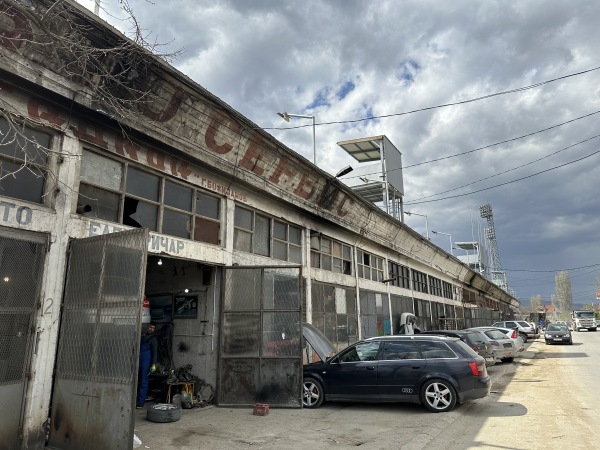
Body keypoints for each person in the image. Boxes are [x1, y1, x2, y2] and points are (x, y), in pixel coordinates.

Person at [137, 322, 158, 408]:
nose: (151, 329)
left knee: (144, 382)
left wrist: (153, 364)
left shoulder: (153, 339)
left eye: (153, 328)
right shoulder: (141, 337)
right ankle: (137, 398)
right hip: (138, 362)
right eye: (150, 327)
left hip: (146, 363)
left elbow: (155, 353)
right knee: (137, 381)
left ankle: (140, 402)